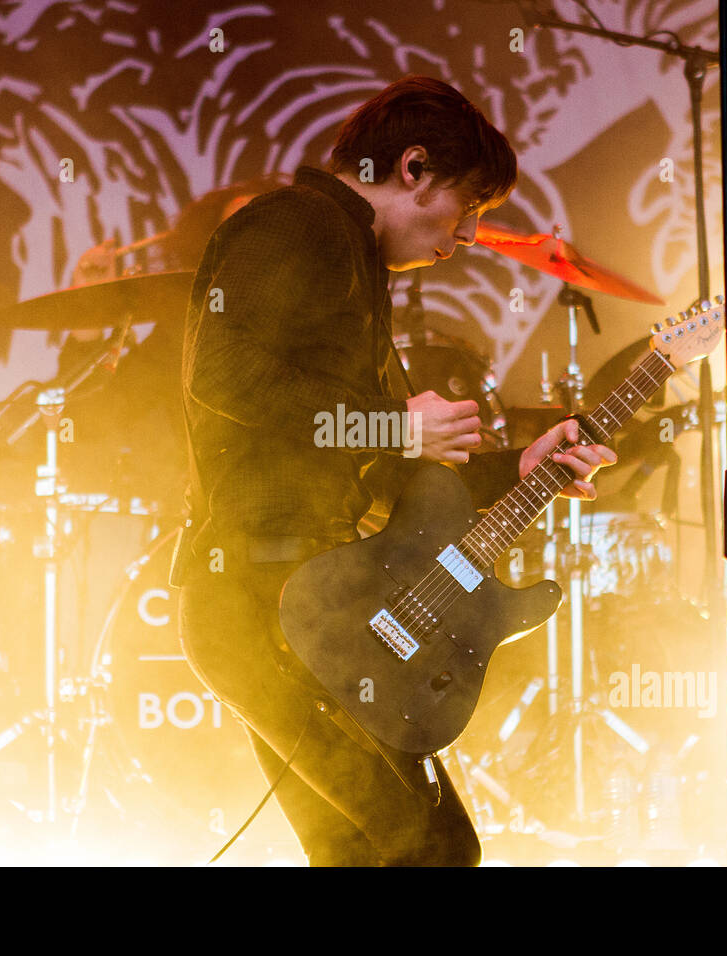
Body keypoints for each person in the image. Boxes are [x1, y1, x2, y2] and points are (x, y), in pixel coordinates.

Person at [174, 75, 617, 866]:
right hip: (256, 600)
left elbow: (387, 466)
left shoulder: (353, 259)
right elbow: (221, 375)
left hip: (310, 605)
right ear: (412, 168)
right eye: (469, 206)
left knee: (364, 852)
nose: (471, 235)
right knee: (427, 847)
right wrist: (390, 423)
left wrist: (518, 464)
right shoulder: (297, 224)